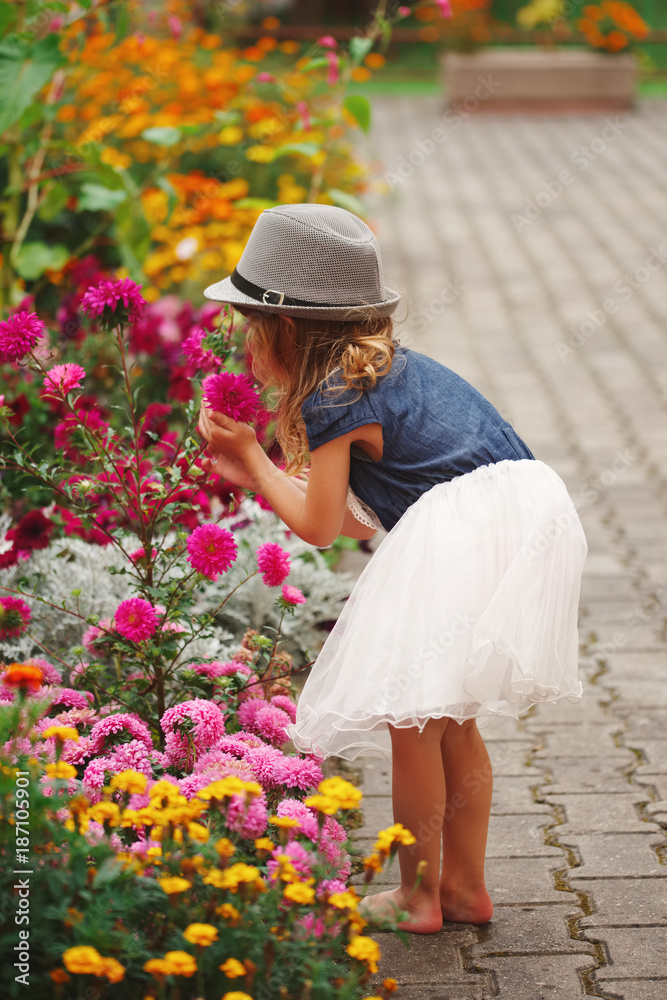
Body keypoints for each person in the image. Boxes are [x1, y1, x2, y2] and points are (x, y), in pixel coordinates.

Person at [197, 204, 588, 935]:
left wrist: (253, 455)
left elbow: (316, 530)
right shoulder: (377, 372)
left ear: (283, 329)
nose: (240, 342)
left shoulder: (331, 395)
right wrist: (257, 473)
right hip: (523, 509)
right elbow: (349, 517)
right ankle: (464, 890)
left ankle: (419, 898)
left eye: (247, 324)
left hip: (467, 528)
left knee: (411, 729)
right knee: (451, 724)